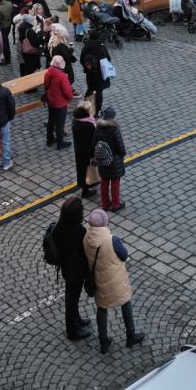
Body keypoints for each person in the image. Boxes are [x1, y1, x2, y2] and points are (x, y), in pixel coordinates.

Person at [83, 208, 145, 354]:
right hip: (116, 280)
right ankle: (131, 335)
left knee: (102, 308)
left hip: (99, 280)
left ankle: (103, 341)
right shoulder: (112, 240)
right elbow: (124, 255)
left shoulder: (86, 238)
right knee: (125, 302)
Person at [53, 196, 93, 341]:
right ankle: (72, 331)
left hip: (66, 267)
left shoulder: (59, 226)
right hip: (76, 271)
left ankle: (77, 320)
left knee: (70, 297)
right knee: (72, 300)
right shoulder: (80, 231)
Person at [95, 107, 126, 211]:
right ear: (112, 118)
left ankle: (105, 203)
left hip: (102, 160)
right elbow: (120, 147)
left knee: (104, 181)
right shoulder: (114, 130)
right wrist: (122, 154)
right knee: (115, 182)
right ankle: (116, 204)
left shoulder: (98, 128)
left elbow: (94, 143)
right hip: (114, 162)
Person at [44, 55, 76, 149]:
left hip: (51, 101)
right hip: (60, 104)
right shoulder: (62, 76)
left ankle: (49, 140)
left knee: (51, 121)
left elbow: (46, 85)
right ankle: (60, 143)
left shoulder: (48, 72)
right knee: (60, 124)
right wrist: (70, 97)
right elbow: (67, 92)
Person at [72, 101, 99, 198]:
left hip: (79, 150)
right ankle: (85, 190)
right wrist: (93, 154)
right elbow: (91, 141)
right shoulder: (88, 125)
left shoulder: (76, 120)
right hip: (87, 152)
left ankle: (85, 185)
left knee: (82, 169)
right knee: (87, 170)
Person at [81, 28, 110, 113]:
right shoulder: (101, 45)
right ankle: (98, 111)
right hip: (100, 73)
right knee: (99, 92)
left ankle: (85, 107)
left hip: (90, 73)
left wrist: (87, 68)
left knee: (90, 89)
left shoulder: (86, 46)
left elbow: (82, 60)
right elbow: (108, 58)